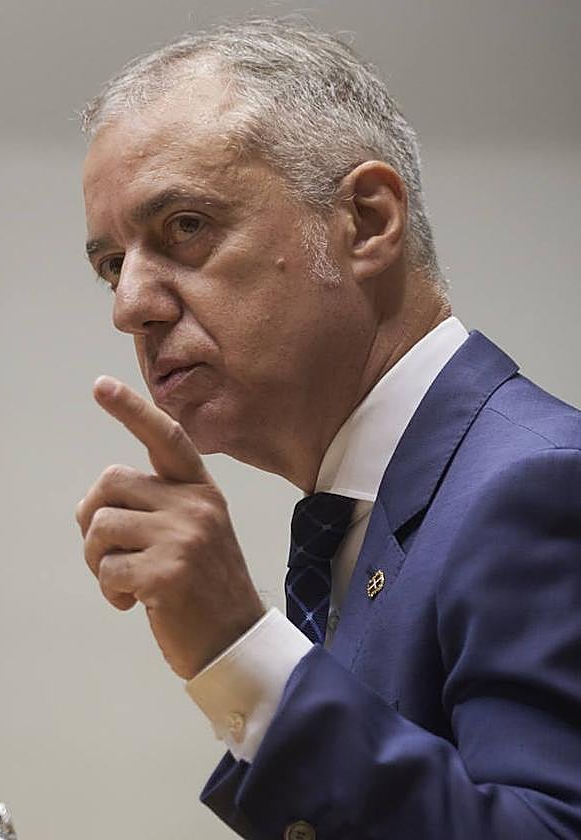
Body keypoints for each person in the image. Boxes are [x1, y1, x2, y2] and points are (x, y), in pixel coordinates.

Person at [75, 18, 581, 840]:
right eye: (111, 265)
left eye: (185, 227)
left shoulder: (541, 484)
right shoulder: (360, 515)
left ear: (367, 222)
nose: (130, 305)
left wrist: (239, 646)